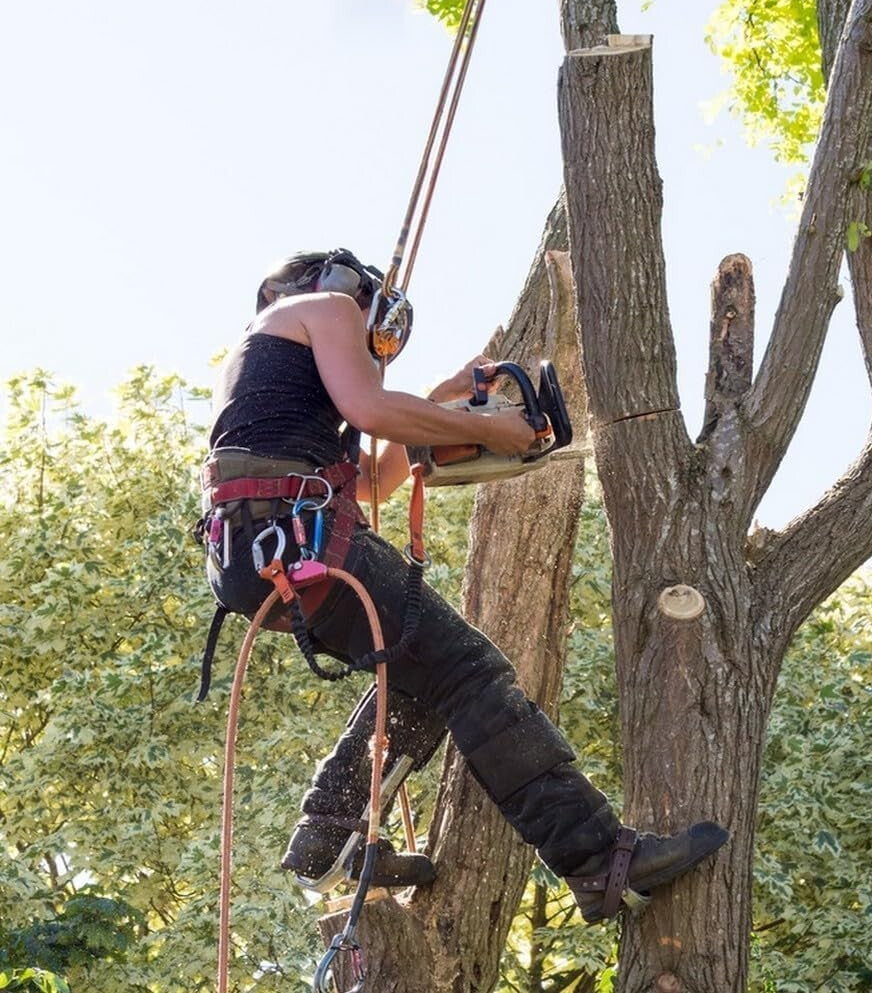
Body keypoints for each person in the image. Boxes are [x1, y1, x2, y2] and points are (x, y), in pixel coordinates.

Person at [201, 249, 728, 923]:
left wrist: (439, 401)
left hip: (258, 549)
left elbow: (374, 480)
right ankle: (598, 858)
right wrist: (487, 427)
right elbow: (370, 407)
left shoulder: (266, 365)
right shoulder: (325, 306)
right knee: (470, 672)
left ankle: (328, 836)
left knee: (425, 677)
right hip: (295, 533)